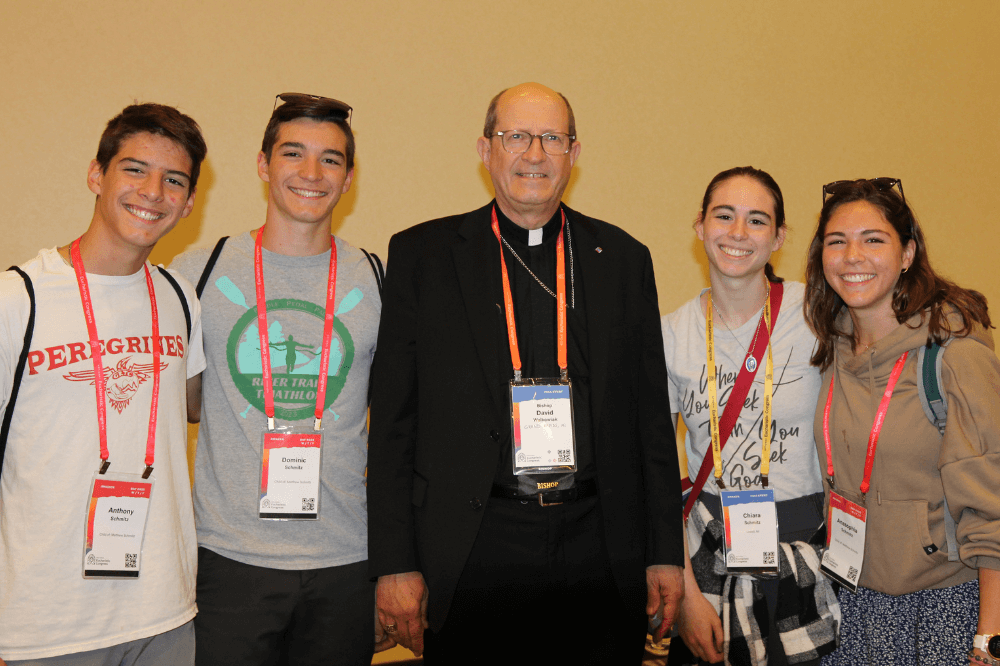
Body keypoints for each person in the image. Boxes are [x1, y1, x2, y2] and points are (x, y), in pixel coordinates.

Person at [367, 82, 684, 665]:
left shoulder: (622, 259)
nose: (533, 154)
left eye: (551, 138)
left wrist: (666, 552)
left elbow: (651, 424)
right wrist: (394, 562)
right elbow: (392, 423)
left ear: (574, 153)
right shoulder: (424, 255)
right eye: (515, 136)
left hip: (599, 542)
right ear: (486, 148)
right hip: (471, 546)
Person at [170, 93, 383, 666]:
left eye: (330, 159)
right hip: (228, 560)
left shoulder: (380, 277)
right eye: (293, 154)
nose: (311, 174)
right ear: (263, 165)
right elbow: (182, 403)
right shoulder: (198, 271)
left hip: (346, 559)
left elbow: (401, 423)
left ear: (349, 177)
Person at [0, 104, 207, 664]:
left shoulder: (179, 298)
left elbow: (196, 411)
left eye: (174, 180)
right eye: (135, 169)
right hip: (46, 626)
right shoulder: (17, 300)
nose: (153, 191)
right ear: (97, 175)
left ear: (189, 203)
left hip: (165, 614)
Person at [803, 178, 1000, 665]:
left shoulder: (954, 357)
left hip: (943, 611)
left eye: (874, 239)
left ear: (908, 252)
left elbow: (992, 514)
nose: (853, 256)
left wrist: (988, 643)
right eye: (837, 241)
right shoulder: (833, 350)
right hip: (852, 602)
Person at [661, 167, 838, 666]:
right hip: (707, 555)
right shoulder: (671, 334)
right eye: (724, 216)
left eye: (757, 220)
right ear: (700, 226)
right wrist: (688, 594)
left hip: (808, 550)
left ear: (779, 236)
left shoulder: (819, 314)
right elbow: (650, 468)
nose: (738, 233)